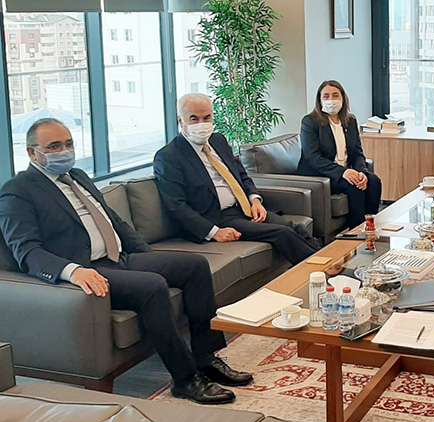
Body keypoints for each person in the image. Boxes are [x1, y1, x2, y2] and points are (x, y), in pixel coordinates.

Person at [0, 118, 252, 404]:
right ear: (32, 153)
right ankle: (185, 379)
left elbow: (114, 221)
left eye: (68, 144)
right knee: (152, 285)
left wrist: (147, 256)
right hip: (88, 270)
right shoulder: (17, 191)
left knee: (193, 266)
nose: (64, 151)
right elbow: (26, 251)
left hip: (119, 257)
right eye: (54, 146)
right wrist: (73, 272)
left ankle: (206, 358)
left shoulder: (78, 176)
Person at [154, 94, 317, 265]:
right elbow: (176, 206)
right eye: (194, 119)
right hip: (217, 218)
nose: (202, 123)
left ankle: (327, 263)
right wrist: (214, 232)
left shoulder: (218, 140)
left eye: (207, 117)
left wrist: (254, 200)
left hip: (244, 208)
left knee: (294, 227)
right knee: (282, 233)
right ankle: (318, 271)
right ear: (181, 121)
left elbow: (241, 174)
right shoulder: (169, 156)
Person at [297, 80, 382, 229]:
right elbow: (313, 157)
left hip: (345, 172)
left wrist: (361, 172)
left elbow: (357, 153)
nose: (331, 100)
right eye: (326, 96)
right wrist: (343, 172)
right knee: (353, 186)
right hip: (321, 175)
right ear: (319, 100)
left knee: (373, 181)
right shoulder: (310, 122)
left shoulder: (350, 120)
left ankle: (370, 226)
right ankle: (355, 232)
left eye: (335, 95)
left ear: (343, 98)